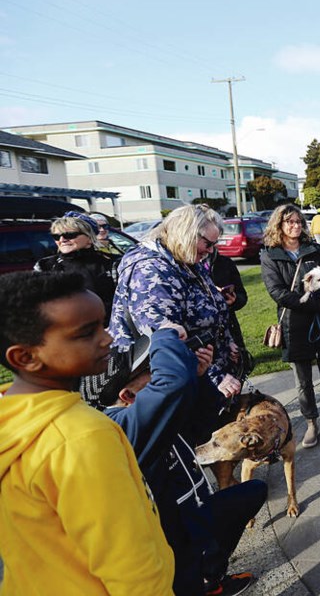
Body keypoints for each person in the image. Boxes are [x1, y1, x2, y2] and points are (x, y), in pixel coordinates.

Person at [0, 271, 175, 595]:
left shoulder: (11, 417)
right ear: (26, 357)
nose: (107, 338)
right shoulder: (81, 437)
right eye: (86, 333)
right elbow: (131, 565)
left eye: (103, 323)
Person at [85, 325, 264, 596]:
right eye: (151, 371)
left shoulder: (151, 417)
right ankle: (203, 580)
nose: (158, 373)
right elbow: (173, 385)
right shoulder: (119, 429)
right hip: (171, 540)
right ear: (127, 395)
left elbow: (200, 426)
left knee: (252, 492)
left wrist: (201, 376)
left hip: (195, 514)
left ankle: (212, 576)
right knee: (185, 585)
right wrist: (162, 337)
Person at [109, 204, 242, 436]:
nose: (210, 251)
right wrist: (215, 377)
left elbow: (210, 310)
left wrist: (226, 340)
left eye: (214, 245)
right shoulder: (150, 269)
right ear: (186, 232)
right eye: (207, 244)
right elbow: (167, 342)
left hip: (199, 375)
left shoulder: (186, 261)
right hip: (170, 384)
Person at [261, 204, 320, 447]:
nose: (296, 226)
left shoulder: (315, 250)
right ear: (279, 225)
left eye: (299, 221)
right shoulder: (270, 255)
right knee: (303, 382)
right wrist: (316, 303)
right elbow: (278, 292)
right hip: (294, 326)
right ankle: (311, 422)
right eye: (289, 222)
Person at [34, 211, 117, 320]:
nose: (62, 240)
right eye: (56, 236)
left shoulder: (111, 264)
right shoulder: (45, 266)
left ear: (89, 237)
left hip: (107, 329)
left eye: (70, 235)